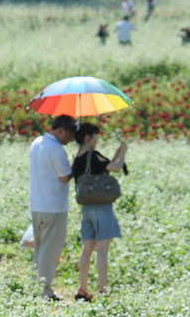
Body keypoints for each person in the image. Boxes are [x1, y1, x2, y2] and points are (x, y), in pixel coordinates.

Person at [71, 123, 126, 302]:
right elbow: (115, 168)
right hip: (102, 208)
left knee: (87, 250)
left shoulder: (77, 159)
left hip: (86, 209)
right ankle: (103, 291)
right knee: (102, 251)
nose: (96, 141)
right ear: (88, 137)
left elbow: (107, 164)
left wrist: (117, 153)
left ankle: (83, 289)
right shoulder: (92, 156)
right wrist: (123, 151)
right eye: (95, 137)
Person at [28, 114, 76, 301]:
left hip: (37, 204)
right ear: (60, 131)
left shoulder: (37, 142)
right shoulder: (56, 149)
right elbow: (64, 176)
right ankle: (44, 290)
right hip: (53, 206)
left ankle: (36, 284)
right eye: (69, 134)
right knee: (50, 249)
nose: (70, 139)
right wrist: (76, 163)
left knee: (40, 248)